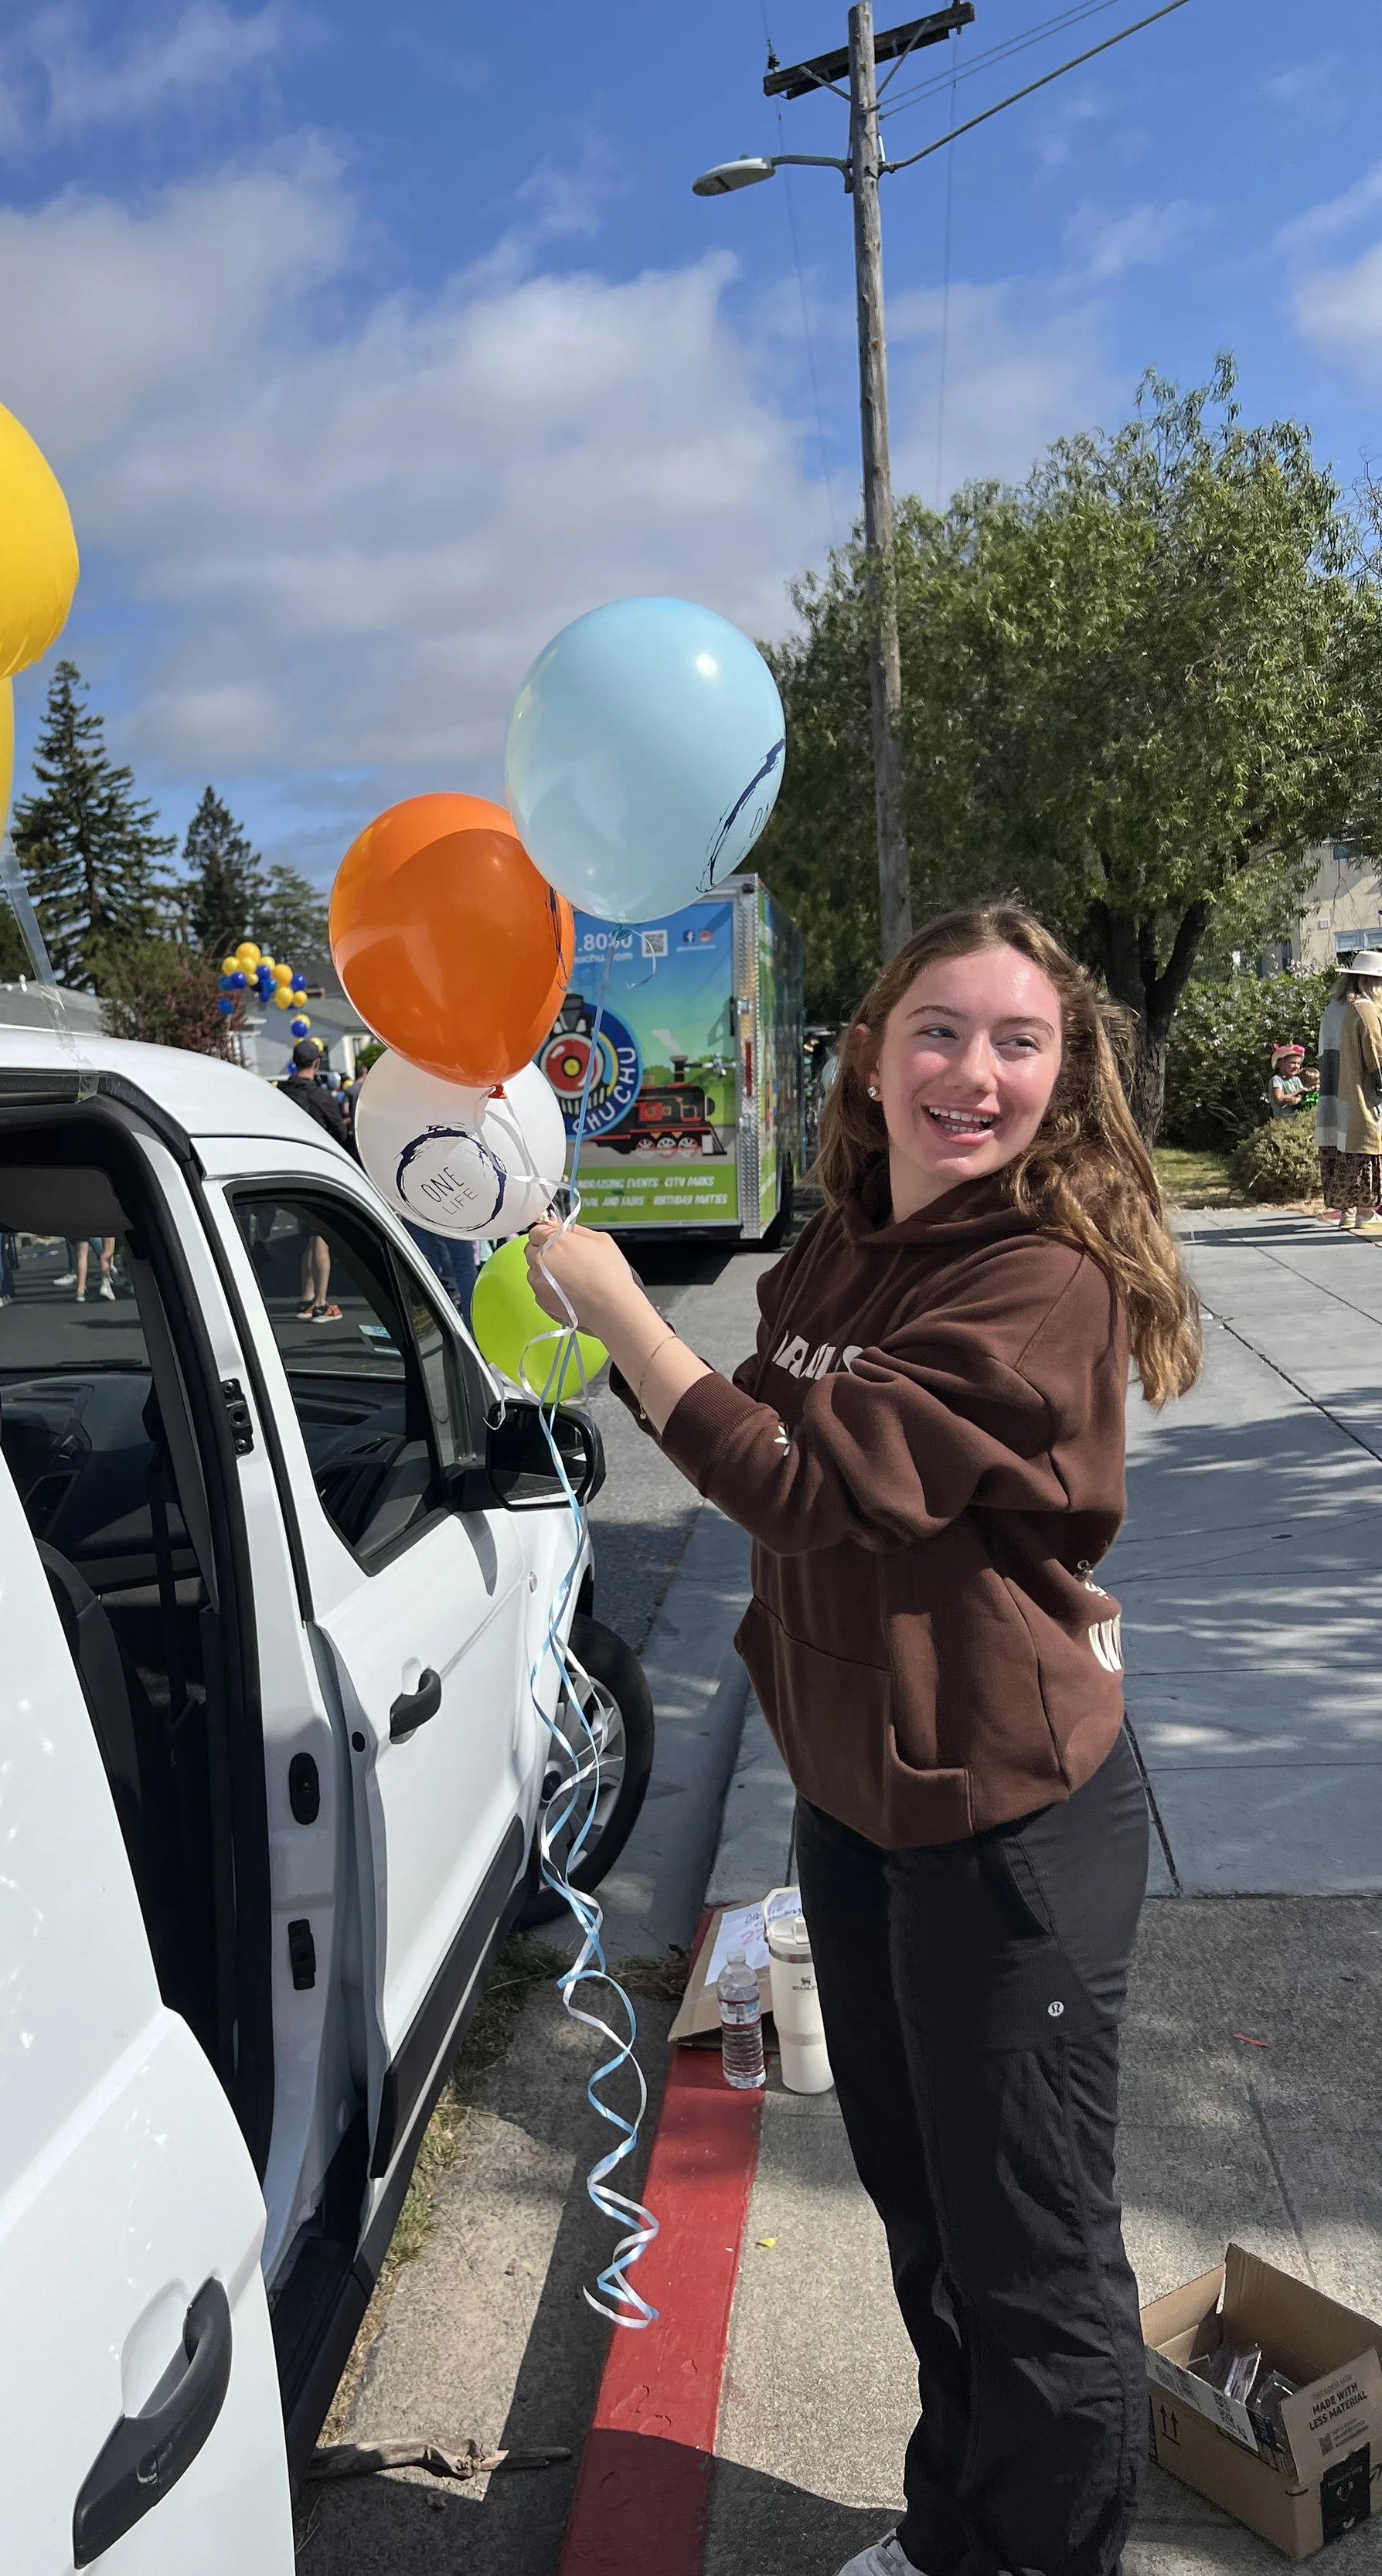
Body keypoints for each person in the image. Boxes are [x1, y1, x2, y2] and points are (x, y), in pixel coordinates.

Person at [526, 904, 1202, 2576]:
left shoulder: (1037, 1276)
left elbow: (802, 1482)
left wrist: (623, 1315)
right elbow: (757, 1420)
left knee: (1028, 2261)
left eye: (1015, 1040)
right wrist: (619, 1338)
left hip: (1005, 1831)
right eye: (938, 1031)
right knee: (927, 2229)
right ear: (871, 1050)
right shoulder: (841, 1242)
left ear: (1064, 1074)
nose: (972, 1073)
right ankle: (951, 2533)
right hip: (862, 1804)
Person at [276, 1037, 349, 1320]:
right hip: (318, 1170)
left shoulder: (280, 1093)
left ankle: (306, 1298)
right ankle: (320, 1303)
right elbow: (340, 1135)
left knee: (306, 1233)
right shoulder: (320, 1097)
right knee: (321, 1234)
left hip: (289, 1169)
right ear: (317, 1063)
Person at [1315, 951, 1382, 1234]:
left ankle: (1347, 1212)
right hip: (1358, 1095)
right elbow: (1376, 1056)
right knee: (1364, 1149)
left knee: (1340, 1152)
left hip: (1333, 1096)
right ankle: (1366, 1212)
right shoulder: (1364, 1009)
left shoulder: (1333, 1008)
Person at [1268, 1040, 1308, 1120]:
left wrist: (1300, 1098)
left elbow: (1302, 1096)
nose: (1296, 1066)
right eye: (1293, 1063)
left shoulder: (1296, 1080)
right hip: (1283, 1121)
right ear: (1281, 1063)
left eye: (1298, 1064)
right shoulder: (1277, 1080)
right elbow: (1279, 1100)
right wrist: (1297, 1093)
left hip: (1298, 1119)